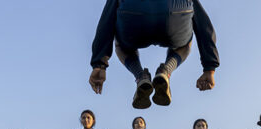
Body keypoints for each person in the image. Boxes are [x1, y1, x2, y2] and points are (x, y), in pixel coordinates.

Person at [89, 0, 219, 109]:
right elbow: (203, 25)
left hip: (134, 17)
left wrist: (99, 65)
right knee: (185, 43)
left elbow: (106, 23)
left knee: (121, 45)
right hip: (174, 17)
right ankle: (166, 71)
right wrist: (209, 68)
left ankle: (141, 76)